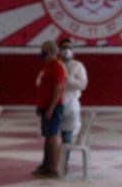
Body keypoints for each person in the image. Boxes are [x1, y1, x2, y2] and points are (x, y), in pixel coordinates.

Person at [32, 40, 67, 178]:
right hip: (45, 107)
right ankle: (46, 165)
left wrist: (51, 107)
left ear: (53, 53)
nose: (42, 53)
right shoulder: (47, 66)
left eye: (45, 51)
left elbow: (58, 88)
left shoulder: (58, 67)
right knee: (47, 137)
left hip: (54, 107)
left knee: (52, 137)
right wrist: (40, 106)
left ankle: (54, 168)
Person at [58, 38, 88, 145]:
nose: (66, 50)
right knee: (54, 136)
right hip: (56, 104)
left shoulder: (77, 65)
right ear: (59, 50)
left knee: (67, 136)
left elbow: (83, 84)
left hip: (71, 105)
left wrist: (69, 80)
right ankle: (55, 160)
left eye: (69, 47)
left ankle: (64, 160)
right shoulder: (55, 64)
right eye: (64, 47)